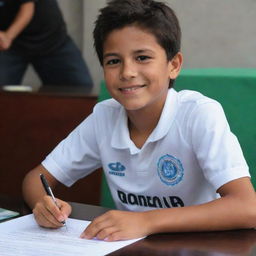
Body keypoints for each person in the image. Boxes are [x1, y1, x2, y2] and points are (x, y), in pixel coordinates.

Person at [22, 0, 256, 241]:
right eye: (113, 61)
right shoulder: (104, 116)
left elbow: (248, 208)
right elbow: (34, 179)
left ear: (173, 65)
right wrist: (44, 205)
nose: (127, 72)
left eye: (142, 57)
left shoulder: (198, 114)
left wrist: (146, 221)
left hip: (198, 245)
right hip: (132, 247)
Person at [0, 0, 93, 91]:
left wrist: (8, 36)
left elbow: (27, 10)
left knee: (81, 89)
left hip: (51, 40)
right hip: (11, 47)